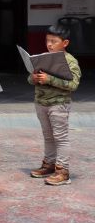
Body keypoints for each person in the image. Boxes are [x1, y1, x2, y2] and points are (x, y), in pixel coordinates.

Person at [28, 24, 82, 186]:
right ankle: (49, 164)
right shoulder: (43, 57)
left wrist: (50, 79)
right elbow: (30, 79)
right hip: (41, 103)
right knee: (48, 136)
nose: (49, 44)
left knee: (61, 138)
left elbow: (73, 85)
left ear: (65, 43)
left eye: (53, 41)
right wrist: (34, 78)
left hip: (59, 104)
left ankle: (63, 171)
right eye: (47, 40)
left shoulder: (70, 61)